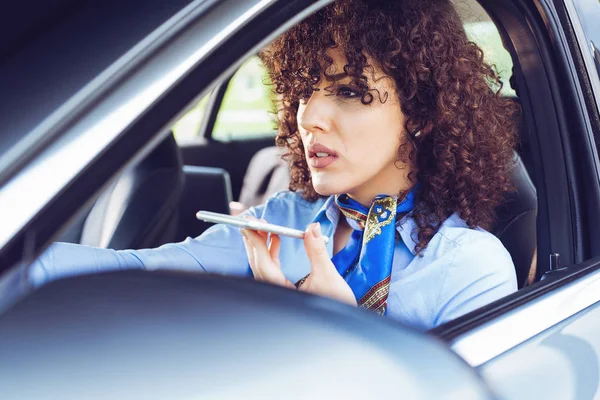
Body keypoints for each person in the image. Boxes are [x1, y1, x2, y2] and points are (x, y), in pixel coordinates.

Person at [25, 0, 520, 330]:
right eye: (304, 91)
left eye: (348, 92)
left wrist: (338, 330)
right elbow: (132, 272)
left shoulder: (471, 267)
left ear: (421, 111)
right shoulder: (283, 221)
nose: (310, 117)